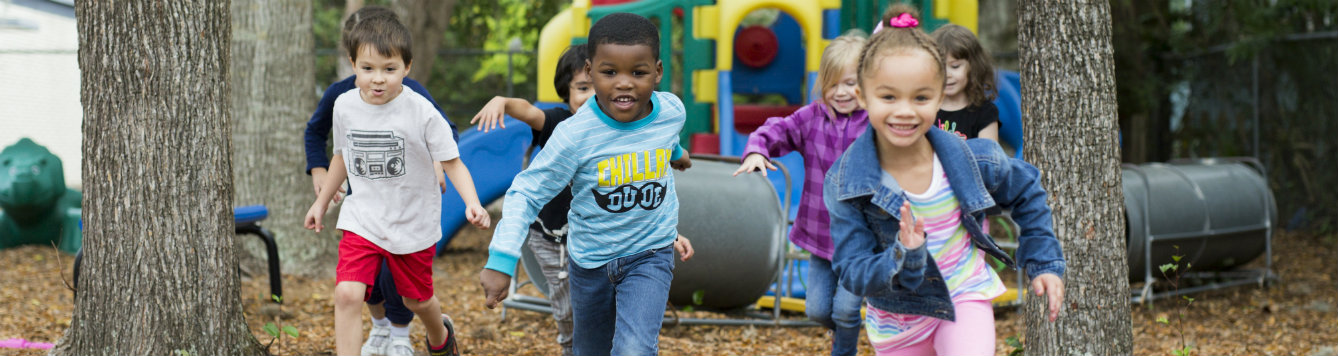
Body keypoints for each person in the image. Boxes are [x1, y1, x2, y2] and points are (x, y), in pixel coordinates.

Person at [824, 5, 1066, 356]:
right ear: (862, 97)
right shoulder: (846, 182)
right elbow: (852, 269)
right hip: (898, 321)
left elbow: (1027, 189)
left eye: (921, 97)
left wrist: (1043, 262)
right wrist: (902, 256)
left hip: (963, 298)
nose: (905, 110)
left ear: (940, 97)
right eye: (888, 96)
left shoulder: (969, 157)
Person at [477, 13, 692, 356]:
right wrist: (501, 259)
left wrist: (677, 153)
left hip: (650, 252)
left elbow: (665, 135)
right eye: (609, 73)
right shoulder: (575, 135)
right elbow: (526, 192)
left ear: (658, 72)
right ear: (590, 72)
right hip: (591, 262)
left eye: (638, 72)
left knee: (634, 349)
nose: (624, 83)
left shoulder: (672, 110)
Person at [303, 14, 490, 356]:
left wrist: (473, 202)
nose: (378, 79)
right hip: (363, 217)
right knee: (347, 293)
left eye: (389, 69)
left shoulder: (421, 110)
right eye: (368, 68)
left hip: (412, 220)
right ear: (353, 65)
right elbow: (342, 156)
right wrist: (321, 202)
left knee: (415, 299)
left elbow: (452, 161)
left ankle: (440, 336)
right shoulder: (344, 104)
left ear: (407, 67)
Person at [731, 32, 869, 356]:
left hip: (862, 239)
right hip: (821, 236)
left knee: (847, 310)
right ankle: (844, 331)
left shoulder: (876, 122)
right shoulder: (812, 118)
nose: (841, 92)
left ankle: (845, 348)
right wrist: (756, 150)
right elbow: (774, 130)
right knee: (818, 311)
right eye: (833, 84)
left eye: (851, 83)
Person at [930, 24, 999, 141]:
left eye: (955, 66)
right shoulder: (927, 108)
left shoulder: (985, 112)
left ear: (973, 67)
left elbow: (989, 155)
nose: (947, 74)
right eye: (940, 67)